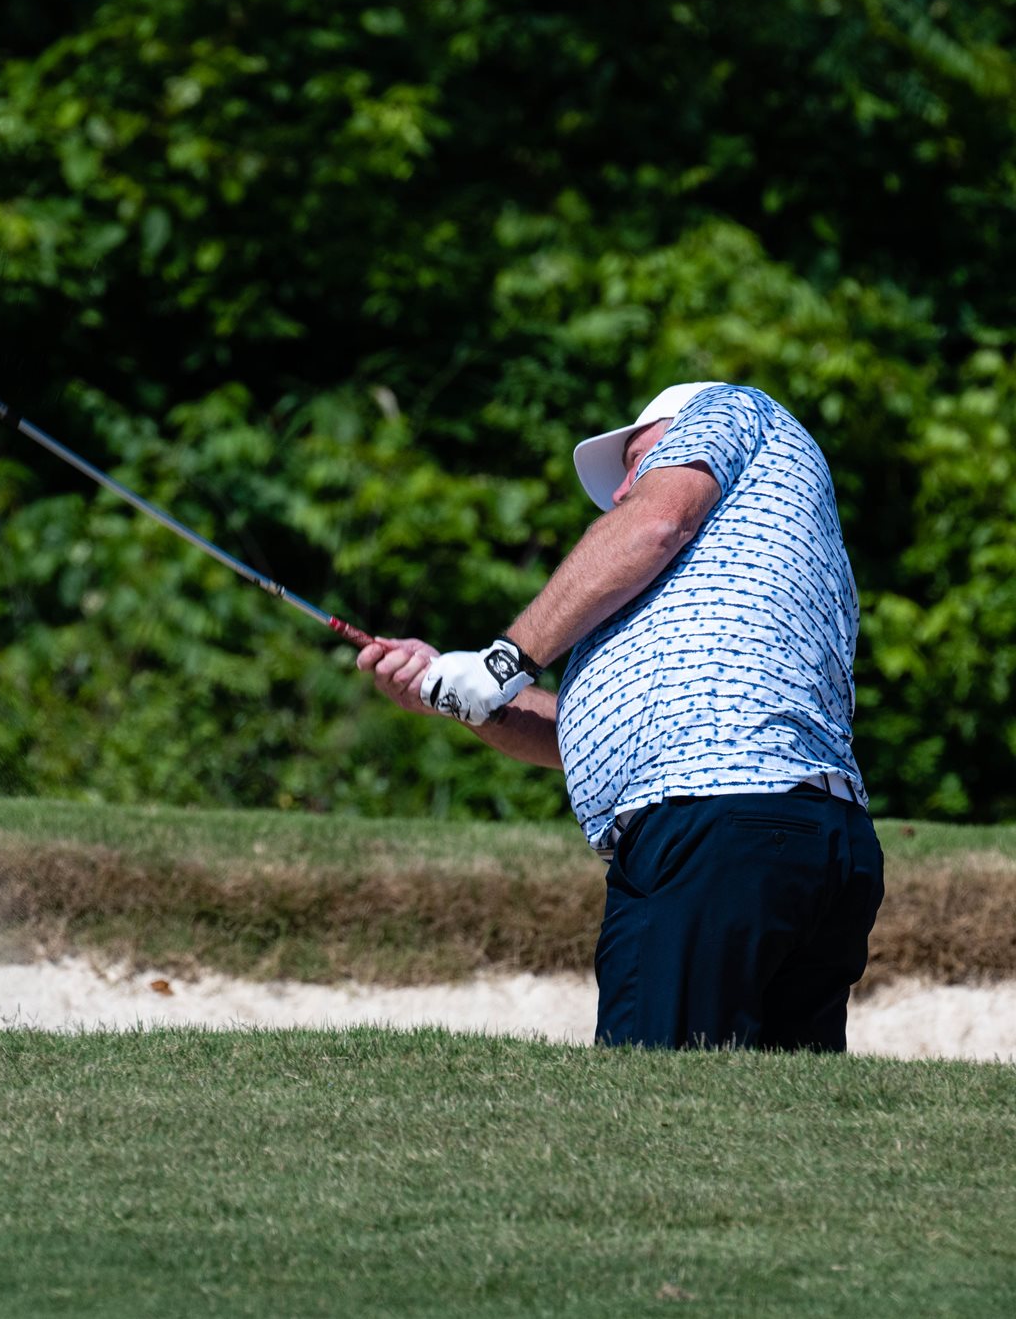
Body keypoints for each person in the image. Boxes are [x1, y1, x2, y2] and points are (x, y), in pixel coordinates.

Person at [357, 382, 884, 1051]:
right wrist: (453, 690)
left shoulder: (729, 409)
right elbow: (575, 735)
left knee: (663, 1099)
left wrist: (501, 663)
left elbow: (655, 522)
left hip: (712, 826)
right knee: (774, 1112)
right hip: (791, 833)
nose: (620, 491)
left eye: (638, 460)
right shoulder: (724, 594)